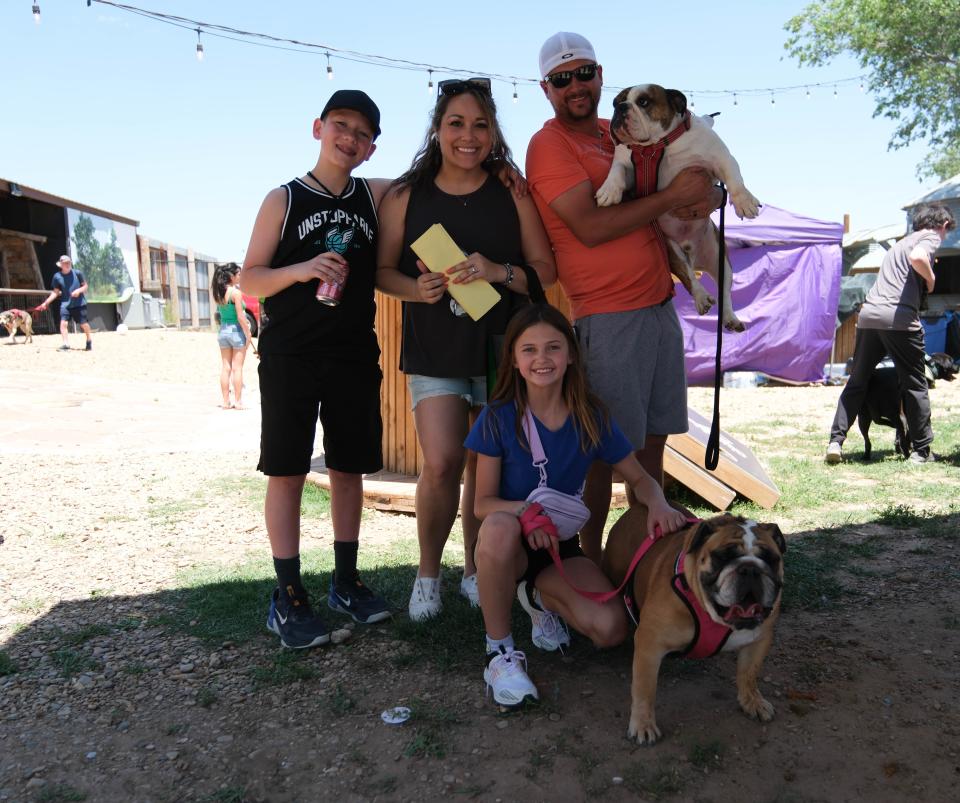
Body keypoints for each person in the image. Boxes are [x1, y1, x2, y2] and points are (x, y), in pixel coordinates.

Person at [525, 32, 721, 564]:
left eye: (583, 73)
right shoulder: (550, 145)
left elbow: (696, 179)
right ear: (546, 89)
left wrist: (710, 190)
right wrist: (672, 196)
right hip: (608, 318)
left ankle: (642, 564)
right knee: (604, 457)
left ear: (600, 74)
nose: (575, 86)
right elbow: (587, 227)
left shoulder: (625, 132)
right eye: (562, 79)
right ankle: (586, 564)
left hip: (661, 306)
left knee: (653, 446)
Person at [376, 77, 556, 622]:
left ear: (494, 131)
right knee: (442, 462)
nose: (468, 135)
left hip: (502, 351)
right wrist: (416, 288)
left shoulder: (512, 192)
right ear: (437, 130)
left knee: (485, 469)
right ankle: (428, 573)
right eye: (456, 123)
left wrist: (498, 271)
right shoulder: (407, 194)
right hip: (435, 348)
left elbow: (545, 271)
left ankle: (475, 571)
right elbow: (382, 271)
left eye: (480, 124)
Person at [466, 303, 686, 707]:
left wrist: (656, 502)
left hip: (558, 550)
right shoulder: (497, 418)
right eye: (528, 350)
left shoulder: (591, 416)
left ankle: (537, 598)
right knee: (497, 528)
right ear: (513, 360)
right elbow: (482, 503)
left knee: (611, 630)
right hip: (509, 546)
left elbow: (639, 476)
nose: (542, 359)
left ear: (570, 355)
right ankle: (498, 652)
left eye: (553, 347)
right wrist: (524, 514)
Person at [240, 90, 393, 649]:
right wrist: (303, 269)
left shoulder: (373, 197)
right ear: (318, 128)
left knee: (349, 468)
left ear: (372, 148)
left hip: (353, 350)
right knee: (287, 471)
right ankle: (288, 594)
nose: (349, 138)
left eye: (361, 133)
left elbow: (432, 177)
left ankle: (346, 581)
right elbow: (250, 278)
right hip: (290, 353)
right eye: (340, 125)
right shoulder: (283, 198)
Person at [826, 203, 956, 464]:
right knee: (915, 384)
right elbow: (919, 257)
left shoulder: (899, 243)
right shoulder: (928, 237)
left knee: (857, 381)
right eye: (946, 232)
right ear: (942, 225)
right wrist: (931, 279)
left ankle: (836, 442)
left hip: (869, 316)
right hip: (898, 319)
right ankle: (921, 452)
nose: (942, 237)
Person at [211, 262, 254, 409]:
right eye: (239, 274)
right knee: (237, 368)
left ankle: (225, 401)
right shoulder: (236, 293)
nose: (240, 277)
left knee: (225, 367)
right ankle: (238, 401)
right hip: (236, 331)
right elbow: (241, 317)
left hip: (223, 331)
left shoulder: (219, 293)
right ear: (231, 276)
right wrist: (248, 334)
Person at [38, 255, 93, 351]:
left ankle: (89, 340)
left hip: (79, 304)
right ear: (61, 265)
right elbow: (55, 292)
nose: (67, 264)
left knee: (83, 324)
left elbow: (85, 286)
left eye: (69, 263)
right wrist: (46, 303)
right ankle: (66, 344)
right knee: (63, 323)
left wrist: (79, 291)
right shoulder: (57, 276)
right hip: (65, 304)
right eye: (65, 263)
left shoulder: (77, 273)